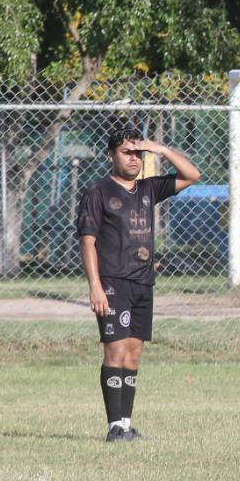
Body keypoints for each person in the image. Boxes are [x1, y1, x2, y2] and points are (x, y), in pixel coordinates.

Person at [77, 127, 201, 442]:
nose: (133, 158)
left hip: (143, 284)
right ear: (111, 156)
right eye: (126, 152)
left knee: (133, 354)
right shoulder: (98, 193)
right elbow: (88, 242)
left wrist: (162, 149)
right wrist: (95, 286)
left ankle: (126, 425)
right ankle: (113, 427)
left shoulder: (148, 189)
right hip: (113, 283)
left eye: (138, 153)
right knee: (115, 351)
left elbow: (192, 175)